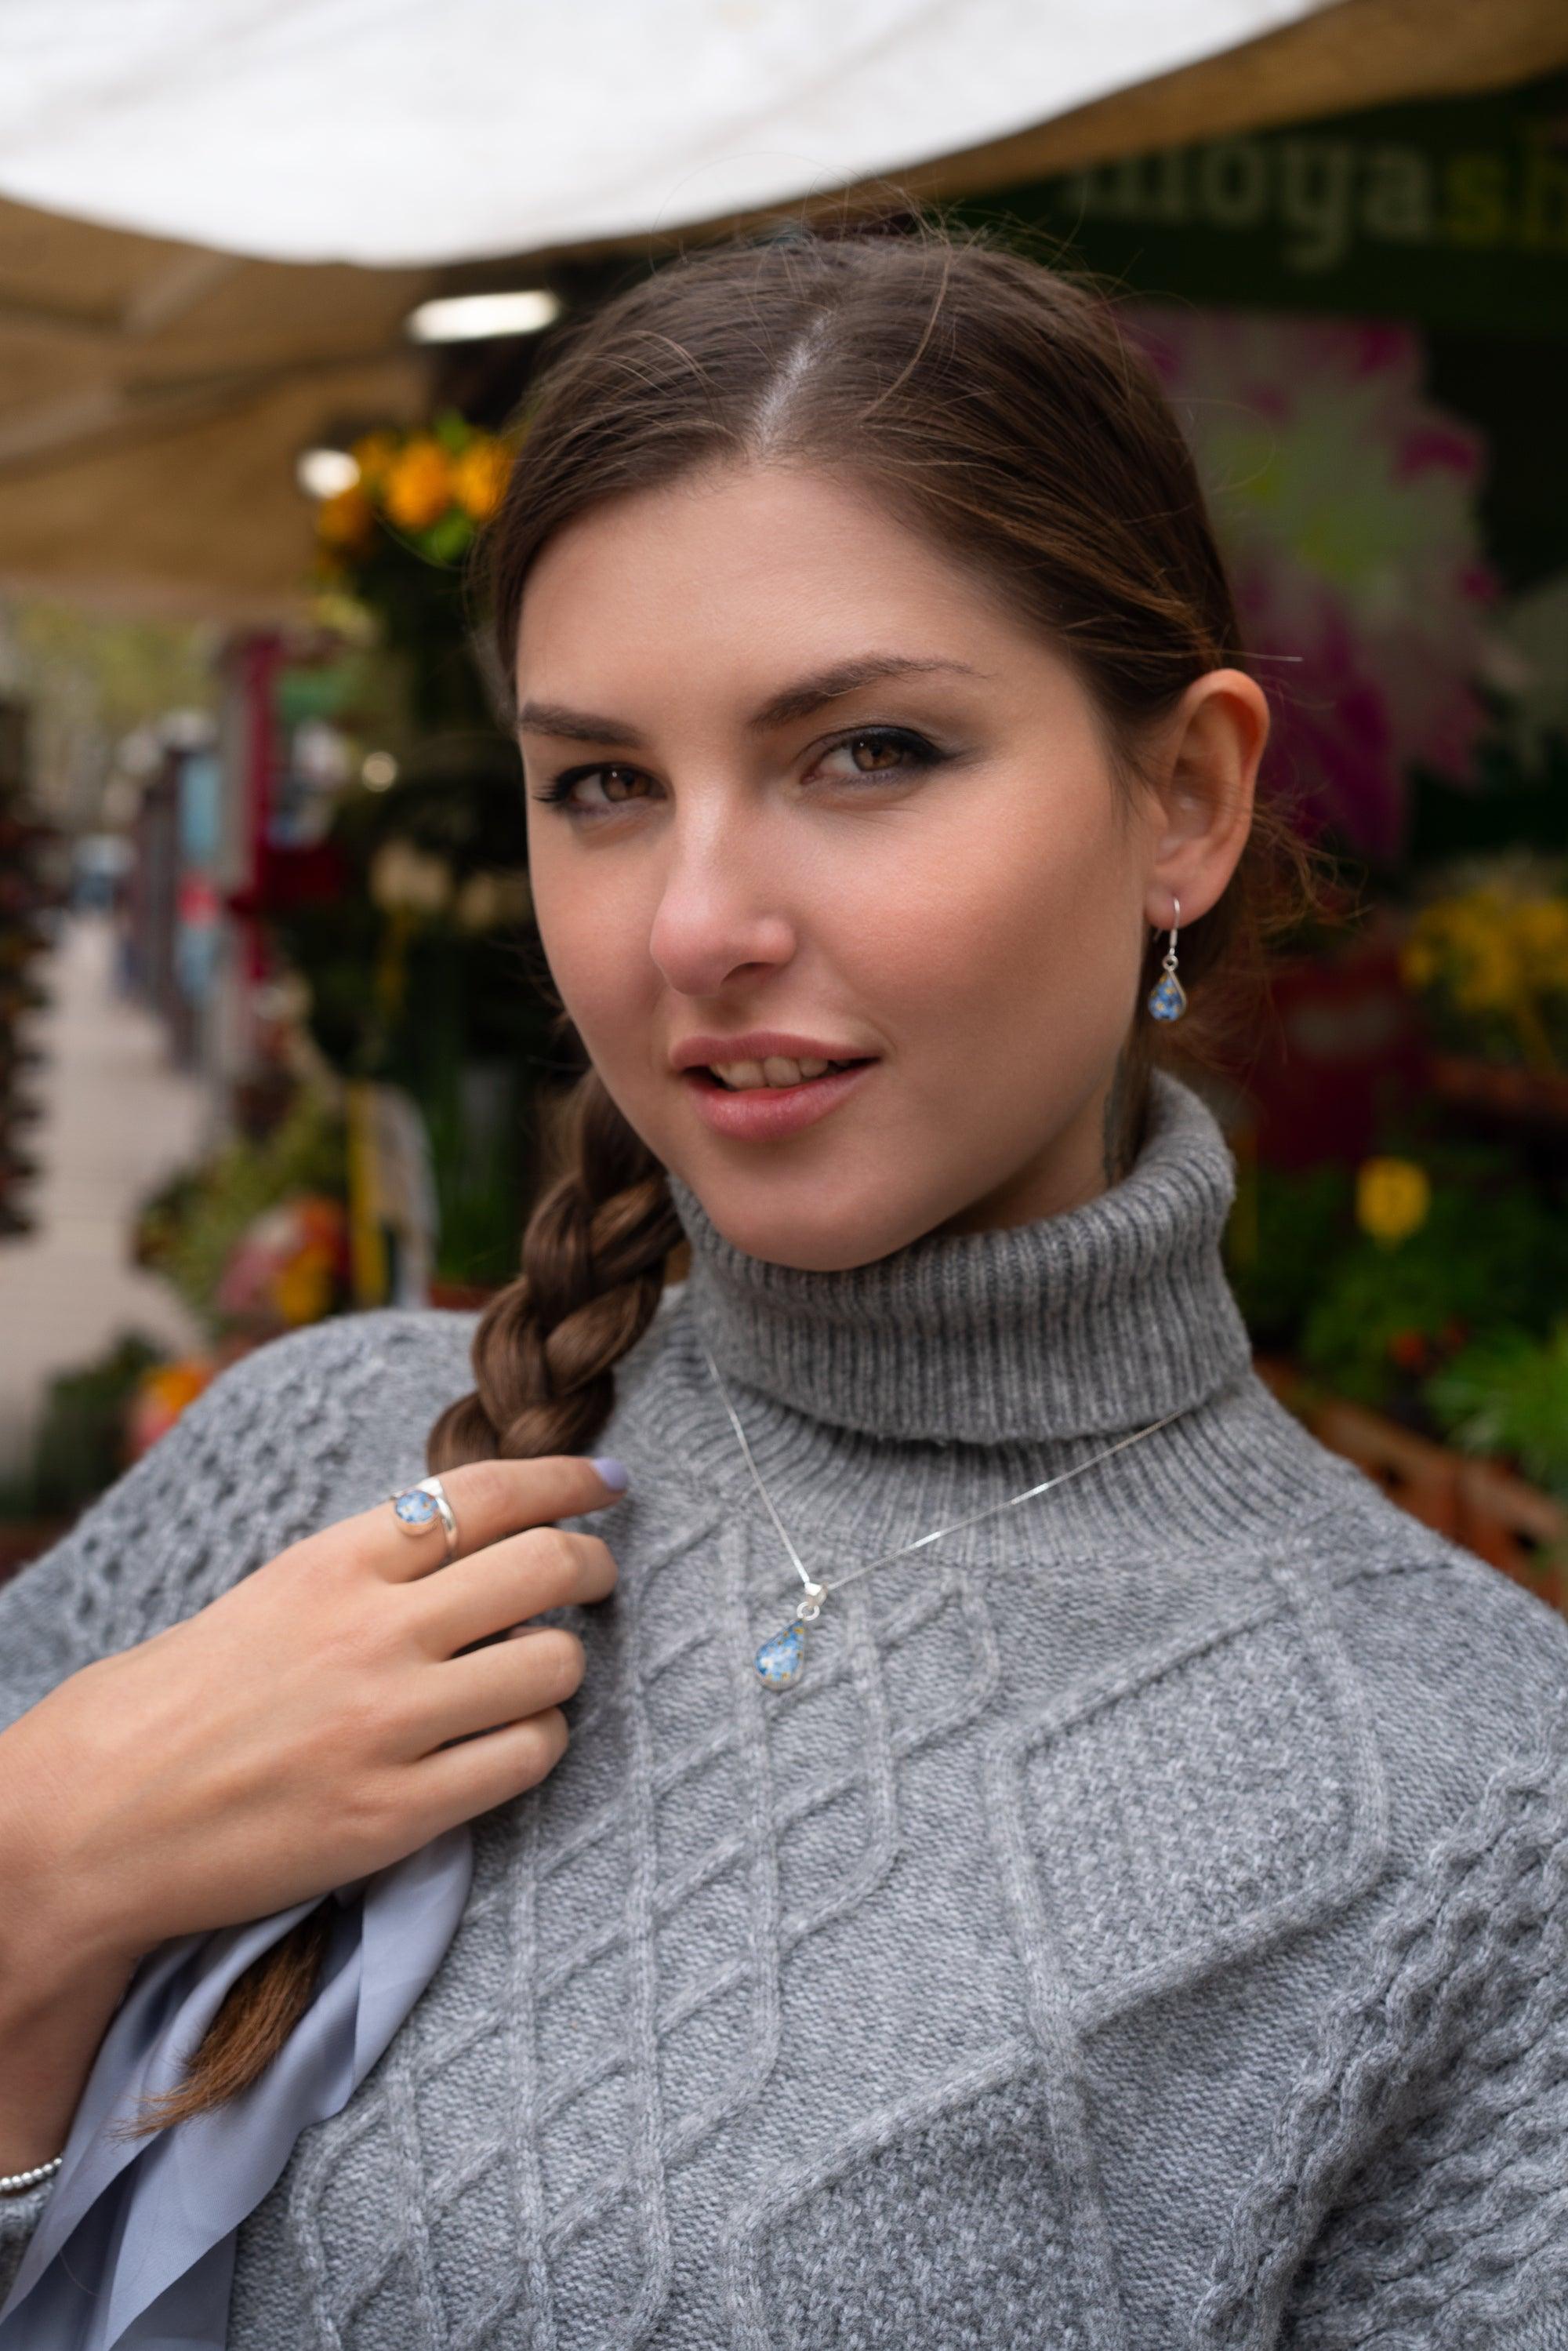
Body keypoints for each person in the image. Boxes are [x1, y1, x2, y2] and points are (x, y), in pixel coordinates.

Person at [2, 212, 1566, 2351]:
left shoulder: (1464, 1810)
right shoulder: (312, 1460)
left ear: (1185, 800)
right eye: (605, 787)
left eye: (867, 753)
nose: (694, 923)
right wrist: (40, 1873)